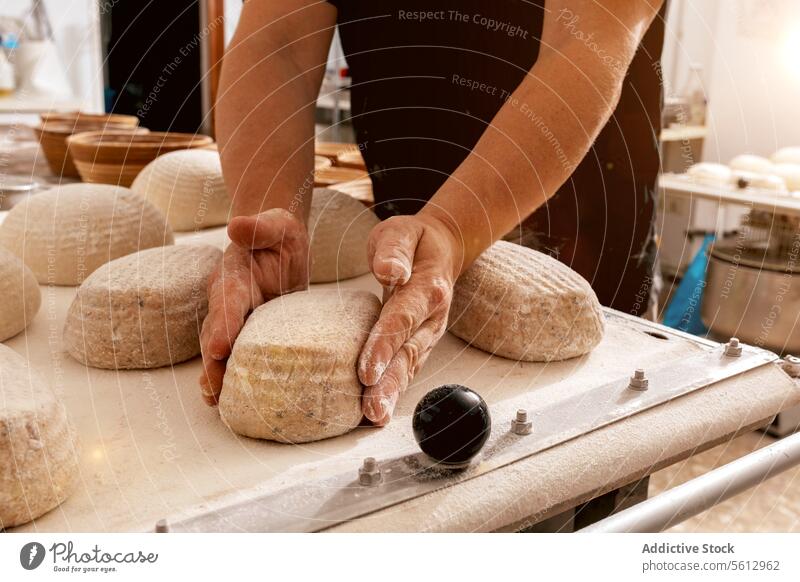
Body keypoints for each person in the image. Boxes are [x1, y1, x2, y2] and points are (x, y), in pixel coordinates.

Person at [199, 0, 666, 426]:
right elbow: (278, 45)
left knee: (569, 480)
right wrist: (270, 218)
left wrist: (452, 227)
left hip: (577, 250)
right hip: (404, 256)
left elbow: (586, 44)